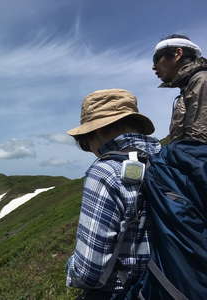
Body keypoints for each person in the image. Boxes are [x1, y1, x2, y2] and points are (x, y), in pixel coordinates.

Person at [65, 89, 161, 300]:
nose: (89, 149)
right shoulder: (167, 160)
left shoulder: (105, 172)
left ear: (97, 131)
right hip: (172, 285)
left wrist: (70, 266)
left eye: (85, 140)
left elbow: (88, 273)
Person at [152, 34, 207, 143]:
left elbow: (197, 144)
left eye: (156, 58)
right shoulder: (191, 85)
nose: (153, 67)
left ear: (178, 53)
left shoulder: (201, 80)